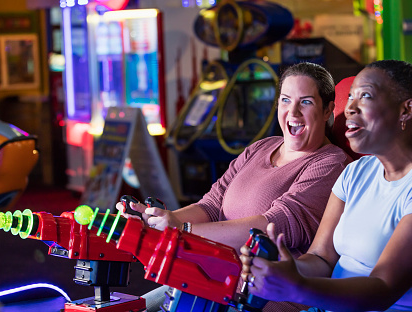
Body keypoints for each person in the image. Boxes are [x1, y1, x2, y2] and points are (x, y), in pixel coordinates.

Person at [240, 60, 412, 311]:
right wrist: (276, 267)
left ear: (406, 110)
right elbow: (321, 258)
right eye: (350, 96)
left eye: (365, 96)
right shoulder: (355, 173)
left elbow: (383, 289)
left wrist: (297, 287)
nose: (349, 108)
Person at [117, 62, 351, 311]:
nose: (293, 112)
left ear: (327, 110)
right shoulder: (260, 147)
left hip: (261, 295)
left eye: (306, 102)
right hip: (210, 276)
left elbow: (273, 227)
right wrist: (163, 219)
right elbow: (211, 204)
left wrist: (182, 229)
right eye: (285, 100)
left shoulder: (330, 163)